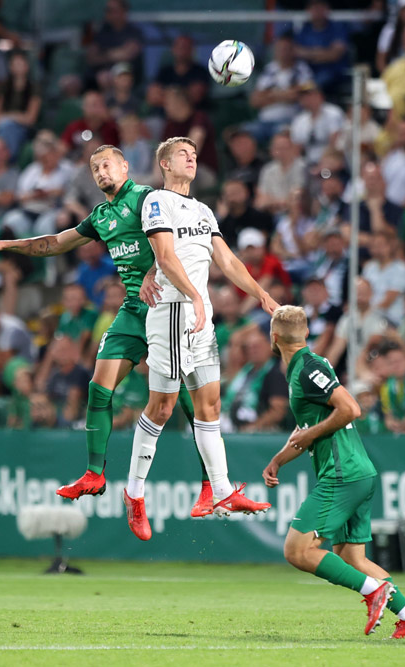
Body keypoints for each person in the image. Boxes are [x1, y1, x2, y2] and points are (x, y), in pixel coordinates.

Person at [0, 144, 213, 519]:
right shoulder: (101, 216)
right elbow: (54, 243)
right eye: (95, 167)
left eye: (107, 164)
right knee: (99, 388)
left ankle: (209, 483)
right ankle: (95, 474)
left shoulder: (149, 198)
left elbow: (178, 242)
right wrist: (7, 245)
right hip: (134, 310)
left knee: (185, 399)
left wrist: (153, 272)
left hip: (169, 306)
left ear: (126, 166)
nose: (101, 171)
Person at [124, 136, 278, 539]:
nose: (191, 158)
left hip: (200, 314)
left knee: (210, 403)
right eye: (182, 154)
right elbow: (164, 257)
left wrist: (261, 294)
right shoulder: (158, 202)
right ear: (164, 164)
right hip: (174, 310)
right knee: (162, 407)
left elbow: (226, 260)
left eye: (194, 154)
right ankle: (134, 493)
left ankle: (223, 491)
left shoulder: (203, 209)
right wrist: (194, 296)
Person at [262, 305, 405, 639]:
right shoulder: (310, 366)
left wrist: (309, 436)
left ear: (274, 336)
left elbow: (350, 408)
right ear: (307, 333)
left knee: (297, 551)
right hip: (358, 472)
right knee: (352, 557)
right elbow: (309, 425)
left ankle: (372, 592)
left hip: (343, 473)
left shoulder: (307, 369)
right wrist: (280, 459)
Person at [221, 326, 288, 433]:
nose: (253, 350)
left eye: (257, 346)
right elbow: (235, 341)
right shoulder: (244, 371)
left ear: (270, 347)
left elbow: (278, 411)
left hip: (261, 430)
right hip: (231, 421)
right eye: (249, 347)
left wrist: (253, 427)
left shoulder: (276, 373)